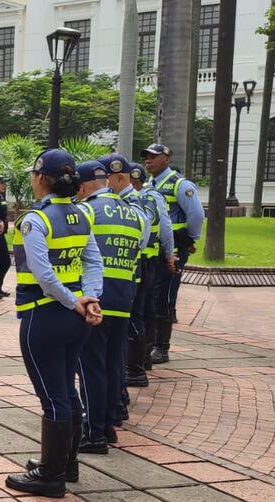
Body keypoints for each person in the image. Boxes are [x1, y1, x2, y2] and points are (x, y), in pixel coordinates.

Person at [5, 149, 104, 497]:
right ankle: (66, 463)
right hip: (75, 317)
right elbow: (93, 262)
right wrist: (89, 298)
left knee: (53, 396)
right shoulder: (81, 214)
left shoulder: (35, 220)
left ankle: (50, 475)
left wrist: (74, 300)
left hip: (43, 315)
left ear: (40, 178)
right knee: (67, 389)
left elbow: (43, 274)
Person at [75, 158, 147, 454]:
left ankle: (93, 433)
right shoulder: (136, 213)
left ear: (83, 187)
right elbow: (139, 250)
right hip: (123, 297)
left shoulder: (85, 210)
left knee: (91, 366)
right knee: (114, 362)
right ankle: (108, 424)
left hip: (94, 299)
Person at [141, 143, 202, 363]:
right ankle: (150, 343)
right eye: (146, 157)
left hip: (174, 247)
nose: (148, 160)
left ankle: (162, 347)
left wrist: (188, 240)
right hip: (155, 248)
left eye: (153, 156)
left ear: (166, 159)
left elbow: (196, 215)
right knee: (152, 294)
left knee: (165, 295)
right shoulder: (148, 184)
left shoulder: (179, 184)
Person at [126, 163, 174, 387]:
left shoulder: (125, 201)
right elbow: (165, 229)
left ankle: (139, 361)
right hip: (150, 262)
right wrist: (169, 254)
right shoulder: (153, 197)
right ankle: (144, 357)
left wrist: (169, 254)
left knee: (138, 311)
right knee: (147, 309)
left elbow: (164, 229)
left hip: (138, 262)